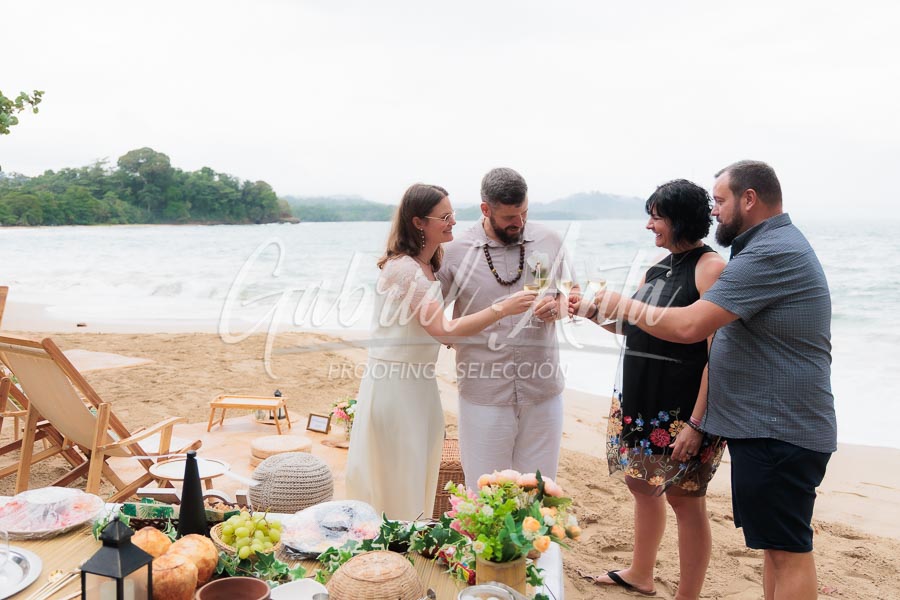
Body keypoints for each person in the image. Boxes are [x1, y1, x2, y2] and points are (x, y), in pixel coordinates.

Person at [590, 161, 836, 600]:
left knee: (787, 553)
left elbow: (692, 328)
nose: (714, 210)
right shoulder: (765, 248)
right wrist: (595, 311)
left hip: (778, 424)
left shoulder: (768, 253)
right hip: (767, 423)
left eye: (720, 200)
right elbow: (656, 328)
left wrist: (621, 304)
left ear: (749, 199)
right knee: (777, 549)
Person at [570, 179, 727, 598]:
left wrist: (697, 423)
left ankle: (687, 595)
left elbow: (720, 354)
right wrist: (588, 311)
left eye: (656, 217)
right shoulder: (657, 267)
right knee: (641, 486)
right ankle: (641, 572)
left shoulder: (711, 268)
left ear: (679, 219)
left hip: (684, 410)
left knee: (685, 501)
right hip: (643, 400)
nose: (649, 226)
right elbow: (634, 326)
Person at [344, 183, 536, 521]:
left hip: (420, 384)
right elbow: (442, 329)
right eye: (444, 217)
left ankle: (405, 541)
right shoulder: (403, 269)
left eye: (453, 214)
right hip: (394, 386)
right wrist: (503, 308)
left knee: (417, 472)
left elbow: (433, 331)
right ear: (419, 222)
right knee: (396, 477)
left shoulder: (430, 265)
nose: (453, 222)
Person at [437, 167, 572, 489]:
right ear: (486, 209)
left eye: (524, 212)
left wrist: (559, 307)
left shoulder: (550, 240)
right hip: (484, 391)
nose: (519, 222)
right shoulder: (455, 251)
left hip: (542, 389)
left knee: (539, 492)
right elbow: (434, 322)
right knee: (484, 492)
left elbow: (570, 295)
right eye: (510, 217)